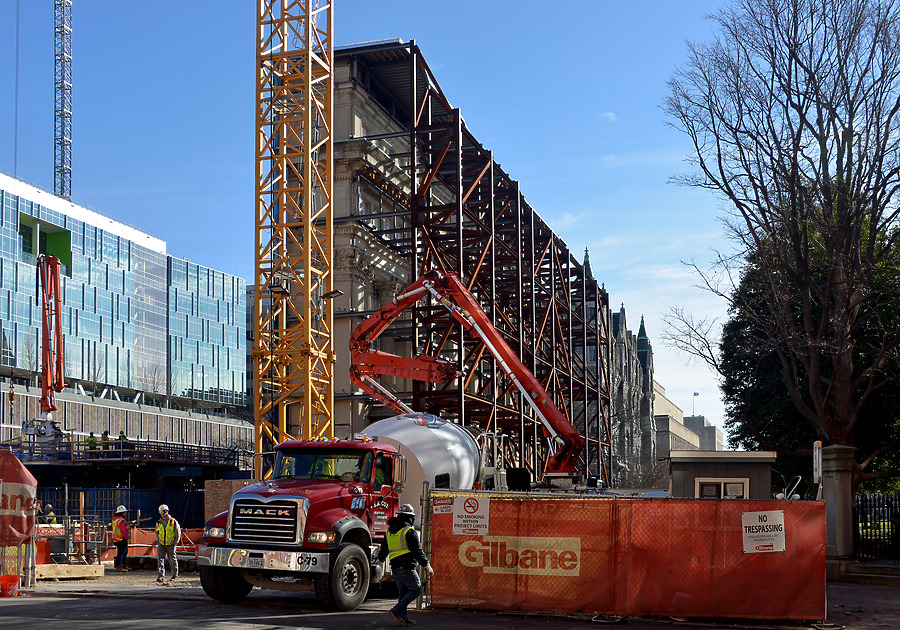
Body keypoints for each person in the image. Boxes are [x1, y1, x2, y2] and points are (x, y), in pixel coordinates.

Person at [377, 503, 433, 626]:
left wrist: (380, 559)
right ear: (410, 518)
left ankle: (403, 618)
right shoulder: (409, 531)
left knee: (403, 592)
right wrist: (426, 565)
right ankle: (397, 609)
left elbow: (384, 550)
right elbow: (417, 551)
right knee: (416, 590)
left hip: (395, 568)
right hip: (407, 567)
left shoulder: (389, 532)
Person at [155, 504, 181, 583]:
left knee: (172, 559)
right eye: (162, 512)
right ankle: (161, 576)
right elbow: (157, 532)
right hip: (161, 544)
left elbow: (177, 532)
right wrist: (158, 540)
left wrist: (175, 542)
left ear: (167, 511)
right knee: (160, 559)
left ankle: (175, 574)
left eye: (165, 512)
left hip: (171, 544)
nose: (163, 513)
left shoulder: (173, 522)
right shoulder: (159, 522)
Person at [111, 505, 130, 572]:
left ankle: (124, 564)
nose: (125, 513)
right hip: (121, 539)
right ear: (121, 513)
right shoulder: (121, 521)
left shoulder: (115, 520)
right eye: (124, 512)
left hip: (117, 539)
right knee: (121, 553)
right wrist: (127, 537)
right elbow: (123, 531)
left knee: (124, 552)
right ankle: (118, 566)